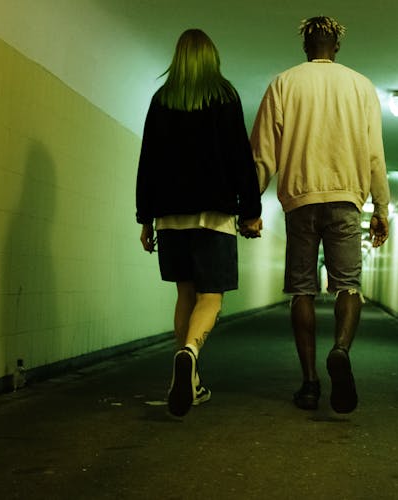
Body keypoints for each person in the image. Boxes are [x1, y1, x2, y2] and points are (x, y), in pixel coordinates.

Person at [245, 16, 390, 414]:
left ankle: (309, 384)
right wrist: (381, 206)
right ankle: (340, 349)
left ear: (305, 45)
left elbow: (263, 153)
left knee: (302, 290)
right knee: (348, 285)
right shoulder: (361, 86)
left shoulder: (283, 84)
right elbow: (374, 151)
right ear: (336, 47)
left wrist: (249, 203)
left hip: (300, 200)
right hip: (346, 199)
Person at [136, 28, 262, 417]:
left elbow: (148, 160)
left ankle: (187, 378)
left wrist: (145, 217)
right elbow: (241, 156)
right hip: (213, 212)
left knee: (185, 294)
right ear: (212, 58)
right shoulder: (224, 96)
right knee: (212, 297)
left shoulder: (162, 99)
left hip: (169, 216)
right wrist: (251, 210)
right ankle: (190, 354)